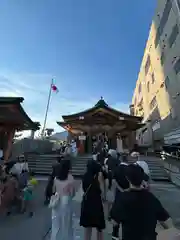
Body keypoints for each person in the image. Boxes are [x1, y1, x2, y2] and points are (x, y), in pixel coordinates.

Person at [111, 164, 173, 240]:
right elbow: (166, 221)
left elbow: (115, 222)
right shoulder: (151, 198)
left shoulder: (122, 198)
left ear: (127, 178)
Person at [51, 158, 76, 240]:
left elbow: (53, 191)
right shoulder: (70, 178)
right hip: (66, 202)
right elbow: (72, 194)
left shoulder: (56, 177)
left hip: (56, 201)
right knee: (67, 224)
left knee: (56, 225)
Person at [80, 160, 106, 240]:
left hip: (87, 202)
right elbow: (102, 190)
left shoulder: (85, 176)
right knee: (99, 227)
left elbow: (83, 189)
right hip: (96, 202)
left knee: (88, 227)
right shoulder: (98, 175)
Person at [111, 154, 129, 240]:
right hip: (129, 193)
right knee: (127, 214)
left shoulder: (117, 168)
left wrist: (120, 189)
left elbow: (114, 181)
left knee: (117, 215)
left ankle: (115, 234)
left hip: (119, 194)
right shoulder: (130, 169)